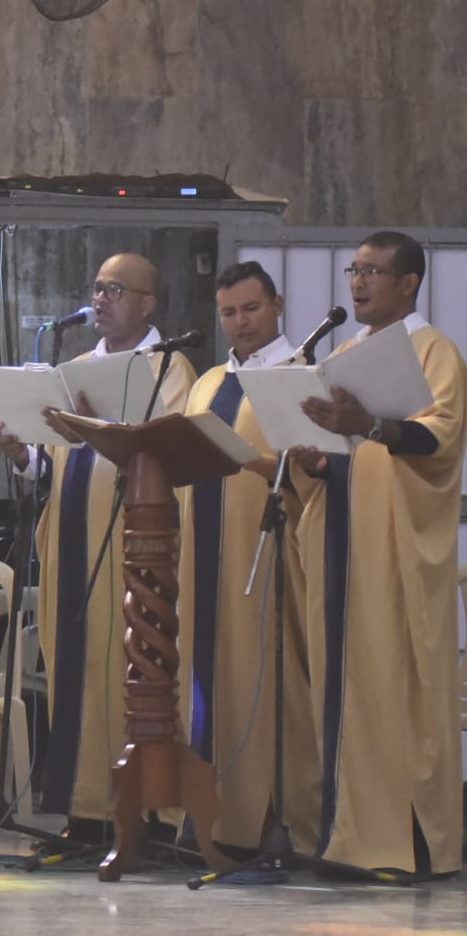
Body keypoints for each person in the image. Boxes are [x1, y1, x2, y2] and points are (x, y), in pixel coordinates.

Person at [0, 252, 195, 838]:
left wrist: (96, 430)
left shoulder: (169, 369)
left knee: (126, 671)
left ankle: (145, 811)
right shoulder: (76, 366)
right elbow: (59, 466)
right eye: (98, 289)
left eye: (115, 290)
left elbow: (173, 451)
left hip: (139, 548)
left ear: (147, 302)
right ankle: (85, 811)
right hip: (71, 541)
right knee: (75, 669)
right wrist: (26, 457)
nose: (100, 300)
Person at [289, 232, 464, 876]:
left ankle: (410, 844)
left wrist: (365, 426)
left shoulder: (432, 351)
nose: (357, 283)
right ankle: (351, 836)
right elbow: (342, 449)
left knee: (397, 687)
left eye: (372, 271)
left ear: (410, 282)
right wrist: (314, 458)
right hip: (342, 544)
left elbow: (436, 437)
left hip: (397, 555)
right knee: (346, 689)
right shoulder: (345, 353)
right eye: (352, 270)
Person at [175, 262, 316, 851]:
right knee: (206, 678)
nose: (240, 322)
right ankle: (210, 816)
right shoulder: (207, 381)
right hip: (202, 551)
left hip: (269, 550)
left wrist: (268, 469)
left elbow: (322, 469)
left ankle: (274, 817)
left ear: (277, 305)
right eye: (229, 312)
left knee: (268, 674)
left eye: (251, 309)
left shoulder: (301, 373)